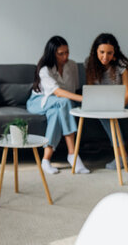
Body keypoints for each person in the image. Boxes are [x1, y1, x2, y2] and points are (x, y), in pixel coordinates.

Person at [26, 36, 90, 174]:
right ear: (52, 54)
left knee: (57, 113)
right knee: (64, 101)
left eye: (67, 52)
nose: (65, 56)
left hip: (60, 104)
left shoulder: (72, 65)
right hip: (39, 101)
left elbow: (73, 88)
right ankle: (73, 154)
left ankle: (46, 160)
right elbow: (59, 93)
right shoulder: (45, 69)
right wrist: (84, 99)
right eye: (61, 54)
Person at [85, 33, 128, 170]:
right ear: (96, 51)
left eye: (109, 53)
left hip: (125, 101)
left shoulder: (121, 64)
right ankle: (122, 155)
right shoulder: (89, 63)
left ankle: (121, 155)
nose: (105, 57)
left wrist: (115, 106)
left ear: (115, 52)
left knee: (107, 113)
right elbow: (91, 90)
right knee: (104, 112)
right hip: (103, 103)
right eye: (102, 52)